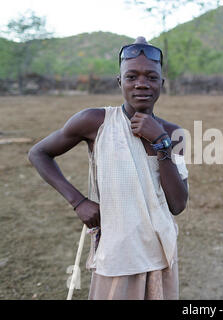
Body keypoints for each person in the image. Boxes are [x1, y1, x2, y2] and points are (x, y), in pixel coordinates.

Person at [28, 37, 189, 300]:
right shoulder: (96, 122)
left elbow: (177, 205)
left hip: (161, 255)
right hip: (117, 256)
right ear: (119, 82)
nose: (141, 84)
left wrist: (161, 142)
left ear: (162, 83)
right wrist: (78, 201)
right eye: (131, 76)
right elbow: (39, 153)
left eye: (151, 76)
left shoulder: (172, 133)